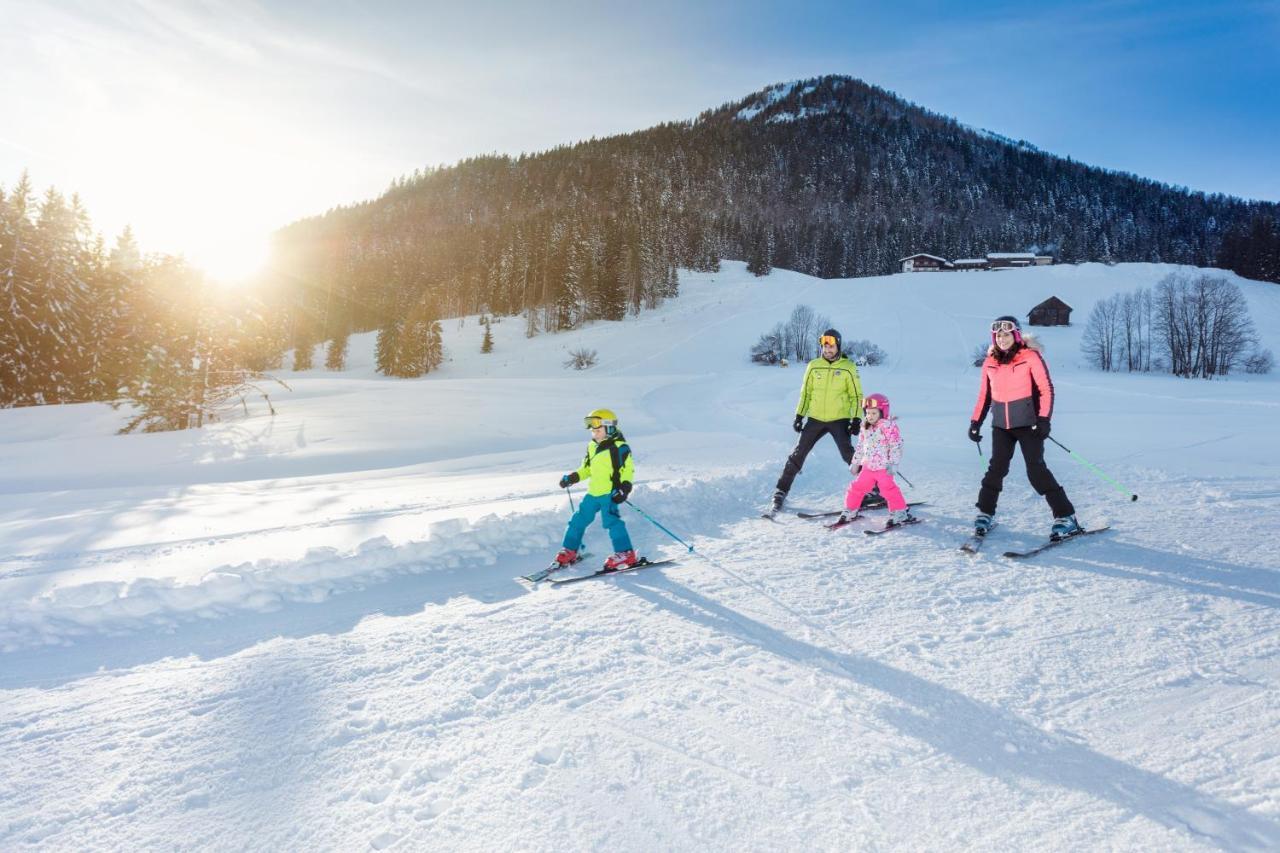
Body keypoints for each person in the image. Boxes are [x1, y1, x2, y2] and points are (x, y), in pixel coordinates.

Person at [969, 315, 1082, 540]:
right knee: (996, 469)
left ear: (1016, 335)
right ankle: (985, 513)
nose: (1002, 339)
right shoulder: (990, 361)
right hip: (1001, 425)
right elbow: (985, 395)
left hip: (1029, 424)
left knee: (1036, 470)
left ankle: (1066, 517)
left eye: (1006, 334)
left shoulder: (1030, 356)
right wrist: (975, 422)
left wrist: (1043, 420)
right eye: (998, 335)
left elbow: (1046, 389)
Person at [770, 328, 882, 512]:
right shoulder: (814, 366)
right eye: (825, 346)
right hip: (815, 418)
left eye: (831, 347)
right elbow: (806, 392)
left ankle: (875, 489)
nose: (828, 350)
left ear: (838, 346)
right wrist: (799, 415)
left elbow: (856, 396)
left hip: (839, 419)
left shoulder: (848, 367)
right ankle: (780, 491)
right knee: (798, 454)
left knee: (850, 456)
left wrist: (855, 418)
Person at [554, 408, 638, 570]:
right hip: (593, 493)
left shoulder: (620, 447)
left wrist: (624, 488)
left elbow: (628, 470)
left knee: (612, 522)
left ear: (610, 428)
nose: (595, 433)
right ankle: (570, 550)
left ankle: (626, 553)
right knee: (578, 519)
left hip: (610, 493)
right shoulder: (592, 446)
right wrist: (573, 477)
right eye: (593, 430)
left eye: (598, 430)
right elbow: (586, 469)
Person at [838, 393, 914, 526]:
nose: (870, 416)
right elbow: (861, 446)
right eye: (868, 413)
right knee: (856, 487)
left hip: (884, 468)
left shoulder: (888, 427)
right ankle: (851, 509)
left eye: (874, 413)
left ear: (882, 412)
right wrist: (855, 463)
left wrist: (893, 463)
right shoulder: (865, 426)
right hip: (868, 467)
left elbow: (896, 446)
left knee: (888, 490)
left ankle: (900, 512)